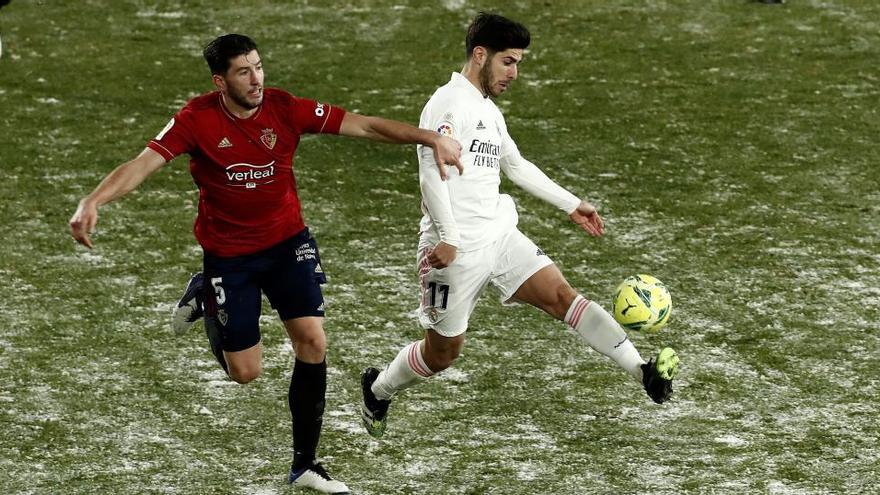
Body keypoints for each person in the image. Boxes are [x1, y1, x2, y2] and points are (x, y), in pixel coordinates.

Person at [69, 33, 461, 494]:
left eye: (258, 67)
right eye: (243, 71)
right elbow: (142, 164)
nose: (256, 79)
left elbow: (365, 126)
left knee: (313, 342)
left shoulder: (285, 108)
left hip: (287, 245)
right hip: (230, 257)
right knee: (246, 373)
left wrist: (428, 136)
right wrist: (93, 200)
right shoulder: (195, 120)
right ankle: (206, 294)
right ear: (220, 81)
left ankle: (305, 465)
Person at [359, 13, 680, 439]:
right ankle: (378, 389)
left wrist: (572, 204)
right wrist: (450, 239)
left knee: (563, 297)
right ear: (480, 55)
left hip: (498, 233)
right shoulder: (449, 104)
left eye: (519, 63)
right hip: (453, 250)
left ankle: (641, 371)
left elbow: (514, 164)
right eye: (508, 61)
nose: (514, 73)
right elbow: (429, 171)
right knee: (442, 354)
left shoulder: (488, 111)